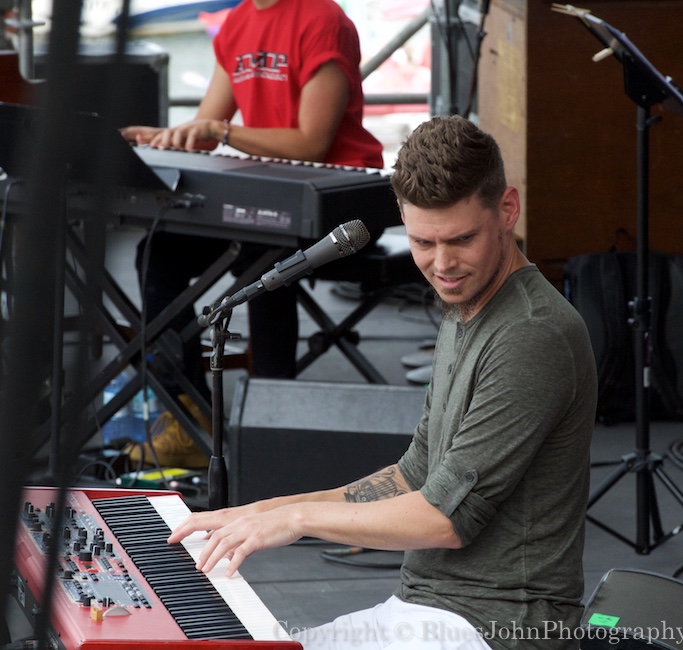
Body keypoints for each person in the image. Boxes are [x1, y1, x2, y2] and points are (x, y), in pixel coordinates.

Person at [167, 115, 597, 649]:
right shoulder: (467, 304)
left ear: (507, 209)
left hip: (497, 629)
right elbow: (416, 473)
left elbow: (445, 519)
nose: (443, 265)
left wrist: (298, 519)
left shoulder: (531, 335)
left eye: (462, 239)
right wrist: (263, 511)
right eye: (423, 242)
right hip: (433, 610)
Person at [120, 0, 384, 468]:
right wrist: (160, 137)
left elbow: (312, 142)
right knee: (157, 254)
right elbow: (207, 131)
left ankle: (267, 423)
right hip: (265, 196)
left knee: (261, 258)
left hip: (341, 198)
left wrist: (222, 131)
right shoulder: (239, 22)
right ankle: (193, 416)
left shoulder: (322, 19)